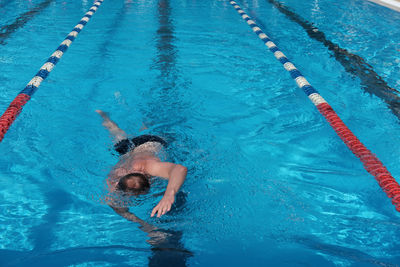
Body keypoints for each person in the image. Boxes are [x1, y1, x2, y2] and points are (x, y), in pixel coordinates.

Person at [96, 110, 187, 222]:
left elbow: (180, 169)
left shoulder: (148, 166)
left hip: (150, 141)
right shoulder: (115, 178)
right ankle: (106, 118)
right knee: (117, 136)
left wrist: (169, 195)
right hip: (127, 151)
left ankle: (106, 117)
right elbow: (117, 207)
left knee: (142, 128)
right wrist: (146, 226)